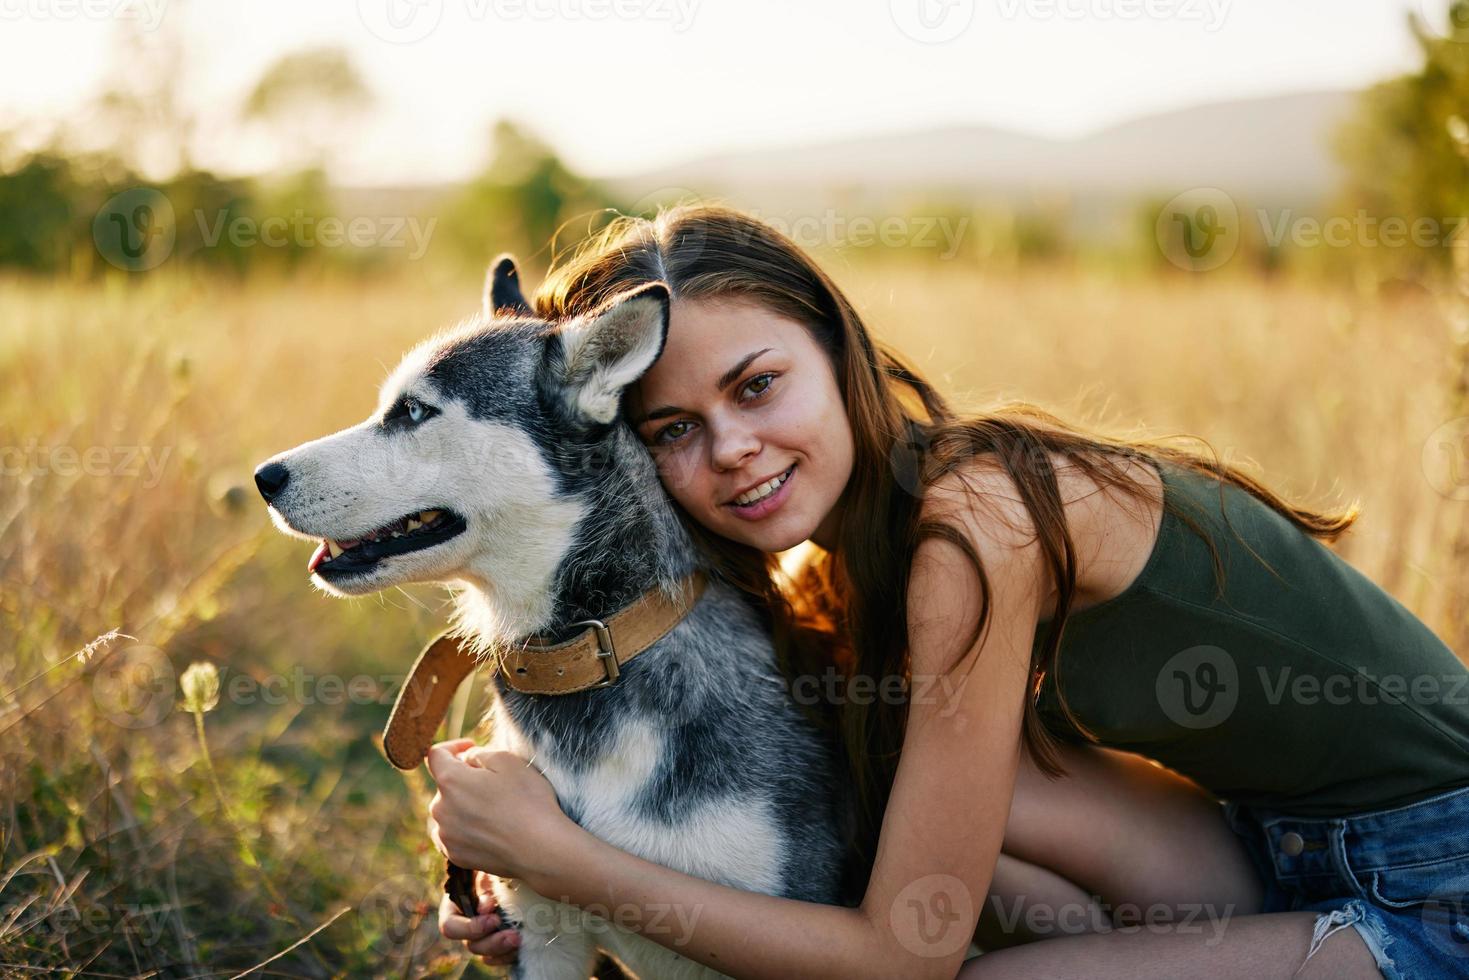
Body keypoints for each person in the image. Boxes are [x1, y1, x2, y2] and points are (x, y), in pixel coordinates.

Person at [425, 203, 1469, 979]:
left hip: (1438, 878)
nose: (733, 448)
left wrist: (560, 855)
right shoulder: (844, 560)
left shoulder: (977, 517)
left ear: (838, 351)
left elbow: (897, 956)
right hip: (1257, 845)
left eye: (755, 385)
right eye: (672, 429)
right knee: (876, 782)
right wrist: (550, 896)